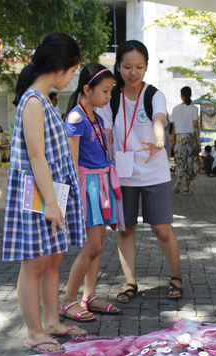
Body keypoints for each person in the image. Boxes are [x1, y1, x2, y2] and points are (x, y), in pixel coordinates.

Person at [2, 32, 86, 355]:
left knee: (53, 259)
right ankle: (35, 331)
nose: (71, 79)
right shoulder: (33, 101)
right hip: (37, 194)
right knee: (34, 263)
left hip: (51, 191)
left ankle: (52, 322)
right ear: (60, 68)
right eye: (72, 71)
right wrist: (50, 202)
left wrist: (55, 198)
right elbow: (36, 156)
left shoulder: (42, 99)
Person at [98, 40, 183, 302]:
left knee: (162, 229)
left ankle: (177, 276)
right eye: (127, 66)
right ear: (119, 67)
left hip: (153, 172)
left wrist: (159, 141)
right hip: (122, 174)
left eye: (139, 66)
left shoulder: (154, 95)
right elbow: (109, 136)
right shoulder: (110, 98)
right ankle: (130, 282)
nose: (133, 72)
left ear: (146, 68)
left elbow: (159, 119)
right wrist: (105, 162)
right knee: (125, 230)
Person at [61, 63, 122, 319]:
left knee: (97, 247)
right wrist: (74, 197)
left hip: (101, 183)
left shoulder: (95, 115)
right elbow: (71, 162)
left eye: (110, 91)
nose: (109, 96)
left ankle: (89, 296)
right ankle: (68, 300)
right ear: (87, 89)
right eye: (105, 91)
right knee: (91, 248)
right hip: (88, 186)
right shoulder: (77, 117)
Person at [171, 86, 200, 194]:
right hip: (190, 137)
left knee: (179, 161)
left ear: (181, 96)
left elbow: (174, 126)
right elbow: (196, 125)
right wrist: (198, 140)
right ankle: (186, 188)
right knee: (190, 163)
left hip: (179, 137)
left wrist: (173, 140)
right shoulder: (194, 108)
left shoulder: (175, 109)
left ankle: (179, 180)